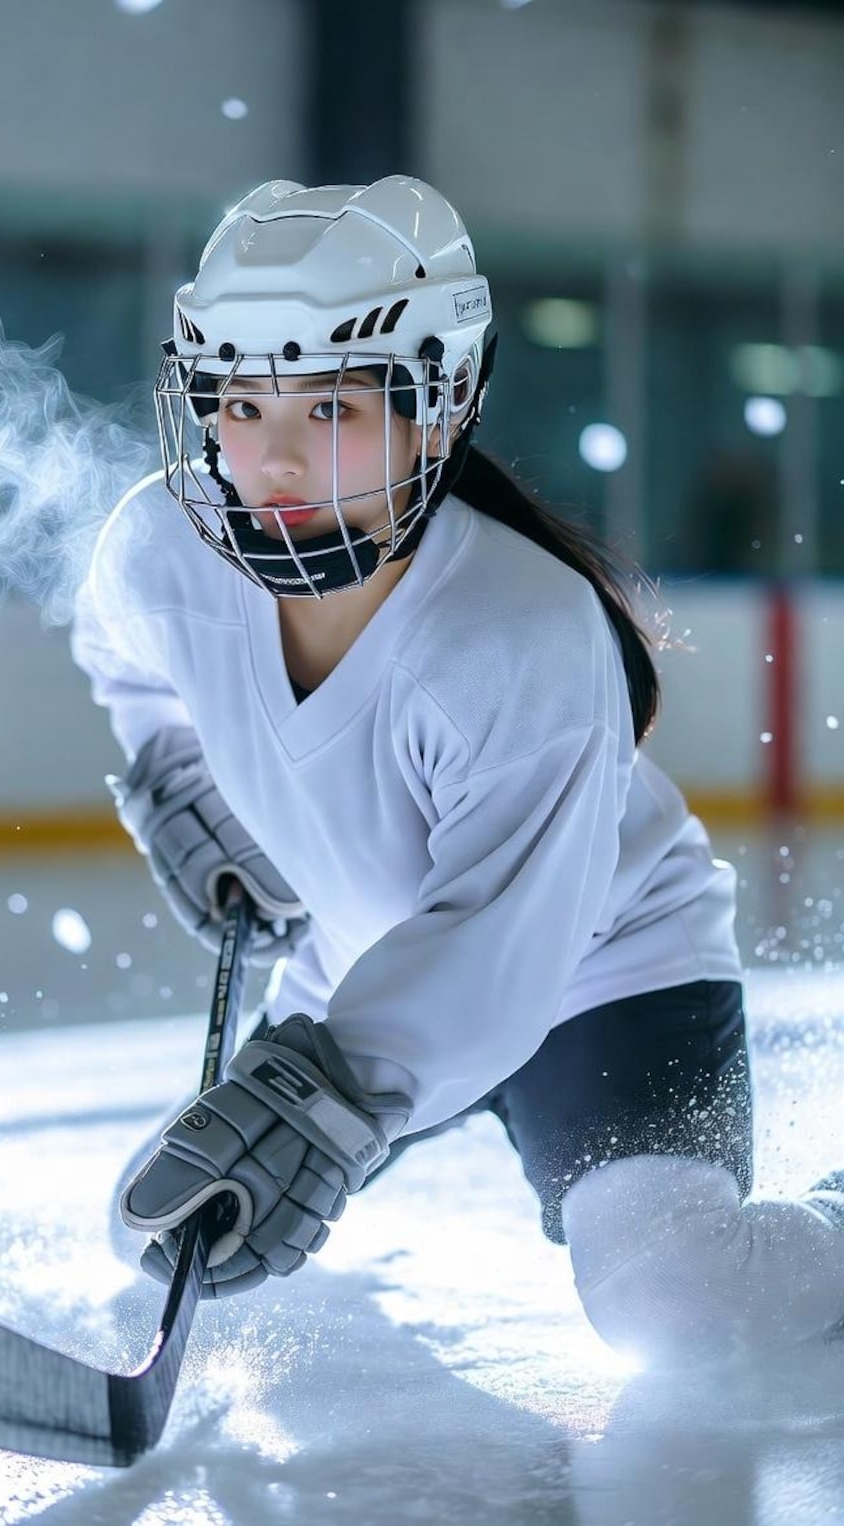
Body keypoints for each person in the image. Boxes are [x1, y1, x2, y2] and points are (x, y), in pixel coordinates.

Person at [71, 175, 844, 1370]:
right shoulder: (162, 548)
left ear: (434, 409)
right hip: (369, 963)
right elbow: (124, 650)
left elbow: (501, 942)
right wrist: (181, 771)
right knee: (172, 1229)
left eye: (328, 409)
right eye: (236, 403)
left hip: (604, 965)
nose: (269, 463)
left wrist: (321, 1096)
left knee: (678, 1306)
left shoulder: (516, 631)